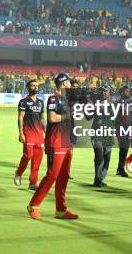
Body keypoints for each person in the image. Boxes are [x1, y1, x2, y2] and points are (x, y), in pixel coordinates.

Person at [28, 73, 78, 220]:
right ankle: (33, 205)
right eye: (68, 81)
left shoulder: (67, 99)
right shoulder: (54, 98)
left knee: (64, 176)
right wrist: (66, 116)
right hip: (55, 141)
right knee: (52, 175)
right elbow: (52, 117)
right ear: (63, 83)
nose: (70, 84)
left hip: (66, 142)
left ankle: (61, 210)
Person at [14, 79, 45, 190]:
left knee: (37, 159)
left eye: (36, 86)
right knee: (28, 155)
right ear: (28, 88)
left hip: (39, 134)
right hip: (28, 133)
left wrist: (46, 131)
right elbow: (20, 117)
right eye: (32, 85)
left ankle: (33, 183)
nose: (35, 87)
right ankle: (18, 173)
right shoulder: (24, 101)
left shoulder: (41, 102)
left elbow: (42, 118)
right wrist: (21, 133)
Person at [89, 85, 113, 188]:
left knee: (107, 157)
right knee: (99, 155)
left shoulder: (113, 105)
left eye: (106, 91)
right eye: (102, 91)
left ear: (109, 93)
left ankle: (101, 178)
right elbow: (89, 115)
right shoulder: (95, 104)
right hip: (97, 133)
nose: (103, 93)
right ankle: (98, 179)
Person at [115, 86, 131, 177]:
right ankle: (120, 168)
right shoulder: (117, 104)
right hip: (120, 128)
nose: (128, 93)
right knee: (123, 148)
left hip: (128, 129)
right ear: (121, 93)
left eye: (129, 91)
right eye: (126, 91)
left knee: (125, 149)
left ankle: (120, 168)